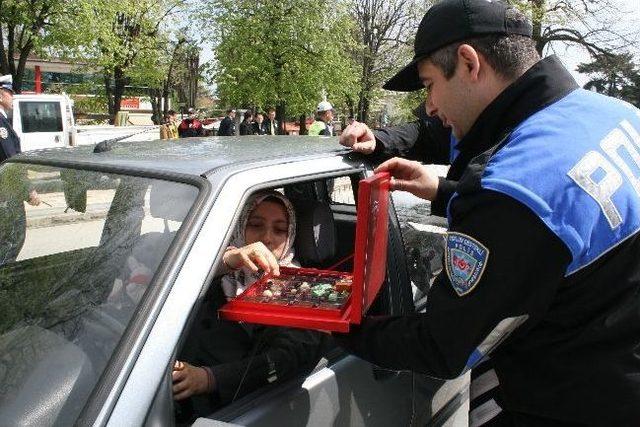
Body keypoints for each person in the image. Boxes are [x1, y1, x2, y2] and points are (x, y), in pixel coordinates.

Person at [333, 0, 640, 425]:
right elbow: (558, 232)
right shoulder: (616, 115)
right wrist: (443, 192)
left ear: (468, 63)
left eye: (428, 85)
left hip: (565, 402)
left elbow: (442, 346)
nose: (432, 107)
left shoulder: (514, 188)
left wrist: (326, 319)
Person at [173, 190, 324, 420]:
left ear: (291, 235)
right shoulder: (214, 274)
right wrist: (228, 260)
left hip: (236, 410)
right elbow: (172, 284)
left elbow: (285, 359)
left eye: (280, 230)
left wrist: (208, 379)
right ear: (240, 227)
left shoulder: (304, 290)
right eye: (255, 225)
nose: (267, 238)